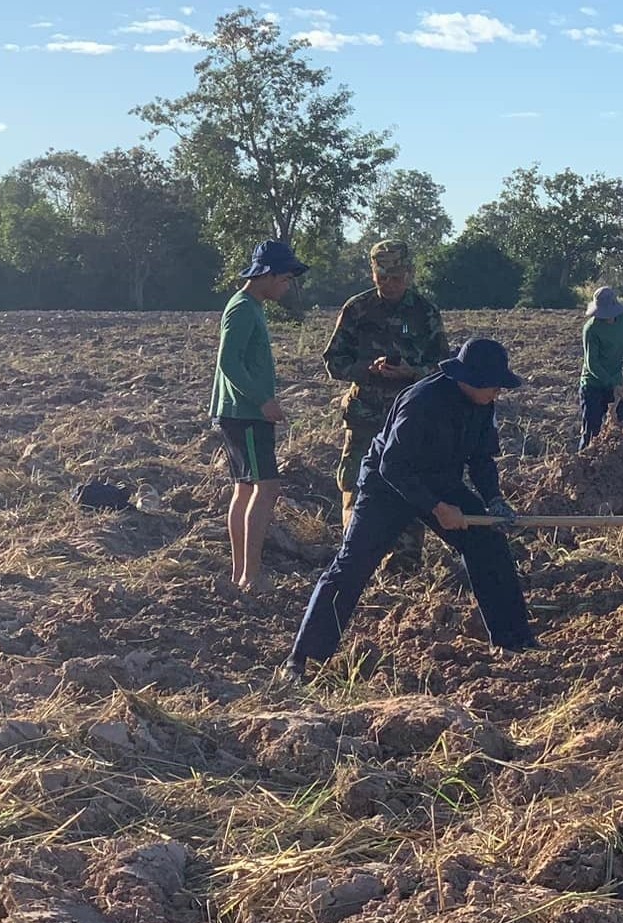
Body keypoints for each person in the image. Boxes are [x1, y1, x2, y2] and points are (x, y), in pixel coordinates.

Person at [285, 339, 537, 680]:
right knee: (353, 564)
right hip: (386, 486)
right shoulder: (422, 402)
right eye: (493, 386)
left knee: (488, 543)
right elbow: (393, 467)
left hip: (440, 479)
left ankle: (515, 642)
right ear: (470, 379)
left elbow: (481, 458)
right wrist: (436, 508)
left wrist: (493, 500)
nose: (497, 393)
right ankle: (303, 662)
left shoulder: (483, 402)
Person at [322, 240, 450, 533]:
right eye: (383, 278)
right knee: (355, 489)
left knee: (409, 490)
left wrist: (412, 372)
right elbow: (333, 361)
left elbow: (444, 367)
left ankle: (401, 569)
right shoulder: (357, 309)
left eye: (396, 278)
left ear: (410, 274)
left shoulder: (424, 312)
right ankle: (354, 559)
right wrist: (367, 369)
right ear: (372, 274)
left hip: (410, 419)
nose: (390, 284)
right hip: (365, 416)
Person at [209, 239, 307, 596]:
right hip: (245, 414)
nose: (287, 286)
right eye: (284, 278)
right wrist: (263, 400)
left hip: (241, 412)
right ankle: (251, 577)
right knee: (266, 488)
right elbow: (228, 362)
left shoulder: (252, 306)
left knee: (246, 489)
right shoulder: (242, 308)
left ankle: (241, 576)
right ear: (266, 274)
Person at [578, 286, 623, 449]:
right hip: (593, 385)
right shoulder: (591, 329)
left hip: (616, 381)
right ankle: (583, 464)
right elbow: (592, 364)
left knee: (622, 425)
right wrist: (612, 384)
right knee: (592, 431)